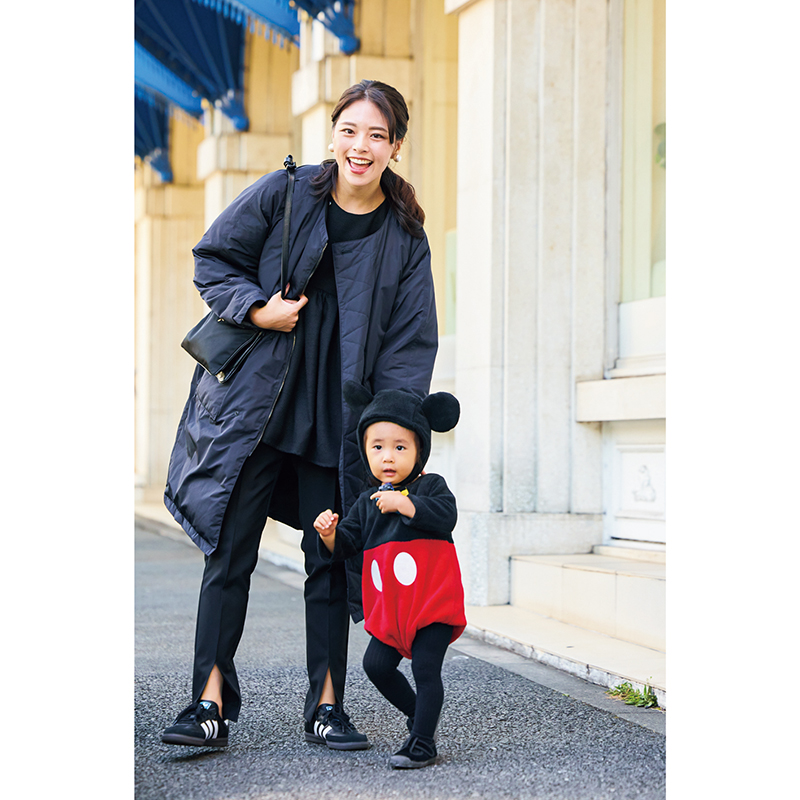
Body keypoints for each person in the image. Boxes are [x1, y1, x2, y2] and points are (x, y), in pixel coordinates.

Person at [160, 80, 439, 751]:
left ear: (396, 146)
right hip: (256, 409)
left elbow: (409, 345)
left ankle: (327, 705)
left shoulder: (405, 236)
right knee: (229, 553)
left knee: (328, 556)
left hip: (336, 422)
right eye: (350, 130)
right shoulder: (285, 193)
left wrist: (387, 430)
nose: (361, 146)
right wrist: (258, 310)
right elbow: (213, 259)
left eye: (376, 135)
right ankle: (208, 701)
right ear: (333, 134)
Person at [314, 381, 466, 769]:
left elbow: (446, 515)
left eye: (400, 447)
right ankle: (420, 716)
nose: (388, 456)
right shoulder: (367, 502)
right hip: (393, 609)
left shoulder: (430, 486)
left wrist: (406, 504)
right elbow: (347, 542)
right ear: (365, 451)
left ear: (419, 450)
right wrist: (329, 534)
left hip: (431, 602)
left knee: (425, 668)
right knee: (376, 665)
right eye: (377, 447)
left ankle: (422, 743)